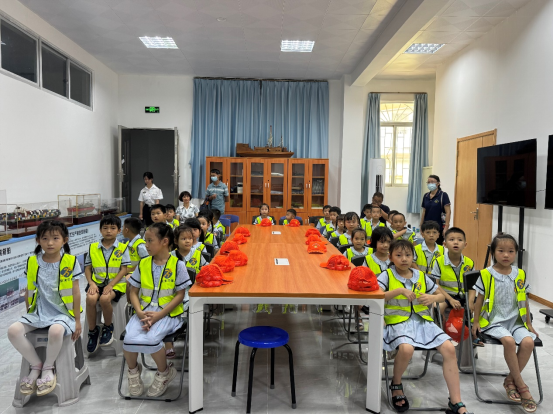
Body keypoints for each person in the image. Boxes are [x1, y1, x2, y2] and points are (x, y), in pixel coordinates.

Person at [378, 239, 470, 414]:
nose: (404, 259)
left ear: (413, 257)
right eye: (399, 255)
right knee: (406, 349)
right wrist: (399, 291)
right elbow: (378, 296)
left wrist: (433, 298)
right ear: (390, 257)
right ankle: (396, 384)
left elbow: (440, 296)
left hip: (423, 322)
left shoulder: (420, 275)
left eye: (408, 255)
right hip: (398, 322)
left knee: (449, 348)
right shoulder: (386, 275)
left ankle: (455, 400)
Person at [8, 221, 82, 397]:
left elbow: (76, 292)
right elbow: (29, 290)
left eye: (55, 238)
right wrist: (29, 313)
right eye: (45, 238)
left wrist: (78, 321)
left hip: (64, 313)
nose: (50, 243)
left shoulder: (70, 261)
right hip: (39, 312)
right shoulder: (32, 261)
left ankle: (49, 368)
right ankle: (36, 365)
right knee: (13, 331)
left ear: (64, 240)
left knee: (55, 331)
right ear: (38, 240)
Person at [472, 233, 539, 412]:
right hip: (494, 320)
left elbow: (524, 300)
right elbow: (479, 300)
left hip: (516, 321)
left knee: (528, 342)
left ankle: (510, 380)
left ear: (516, 253)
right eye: (501, 251)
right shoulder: (486, 274)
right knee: (508, 341)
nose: (506, 255)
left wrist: (528, 323)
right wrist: (476, 321)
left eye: (511, 251)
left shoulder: (520, 274)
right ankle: (521, 385)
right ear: (493, 253)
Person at [123, 223, 190, 397]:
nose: (146, 245)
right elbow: (134, 292)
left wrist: (159, 315)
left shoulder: (178, 265)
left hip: (168, 314)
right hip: (144, 312)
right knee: (128, 339)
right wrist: (139, 312)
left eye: (150, 241)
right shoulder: (143, 263)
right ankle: (133, 372)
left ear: (164, 241)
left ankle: (164, 372)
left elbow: (180, 295)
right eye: (145, 240)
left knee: (152, 339)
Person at [85, 215, 130, 353]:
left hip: (116, 284)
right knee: (90, 299)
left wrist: (111, 285)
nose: (108, 231)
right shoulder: (93, 247)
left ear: (119, 230)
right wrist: (91, 283)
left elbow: (124, 269)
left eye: (112, 228)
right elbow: (87, 268)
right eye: (105, 228)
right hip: (96, 283)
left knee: (105, 299)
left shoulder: (123, 248)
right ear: (100, 230)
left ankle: (108, 327)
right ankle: (93, 331)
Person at [164, 225, 207, 359]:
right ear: (176, 241)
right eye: (183, 239)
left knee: (194, 310)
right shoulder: (170, 256)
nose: (187, 241)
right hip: (174, 292)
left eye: (190, 238)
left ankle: (195, 343)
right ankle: (168, 345)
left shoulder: (197, 254)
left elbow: (206, 270)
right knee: (166, 310)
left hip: (193, 292)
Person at [431, 227, 474, 324]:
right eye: (451, 239)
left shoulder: (470, 262)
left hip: (464, 295)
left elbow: (472, 286)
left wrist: (470, 301)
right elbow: (436, 285)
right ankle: (442, 327)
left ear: (465, 244)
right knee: (436, 307)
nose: (456, 242)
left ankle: (472, 331)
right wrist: (450, 299)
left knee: (480, 305)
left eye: (460, 240)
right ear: (445, 244)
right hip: (446, 295)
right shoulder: (439, 262)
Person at [420, 175, 451, 245]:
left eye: (432, 182)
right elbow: (424, 212)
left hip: (438, 227)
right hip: (427, 227)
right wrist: (421, 226)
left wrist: (446, 227)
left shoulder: (443, 195)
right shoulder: (426, 196)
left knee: (437, 247)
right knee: (427, 246)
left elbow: (448, 212)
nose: (430, 184)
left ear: (438, 183)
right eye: (428, 182)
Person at [122, 217, 149, 299]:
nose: (122, 230)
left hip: (136, 272)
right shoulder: (127, 243)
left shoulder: (140, 245)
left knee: (126, 281)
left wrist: (129, 270)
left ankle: (130, 303)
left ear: (126, 230)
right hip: (127, 271)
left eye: (123, 227)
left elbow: (147, 262)